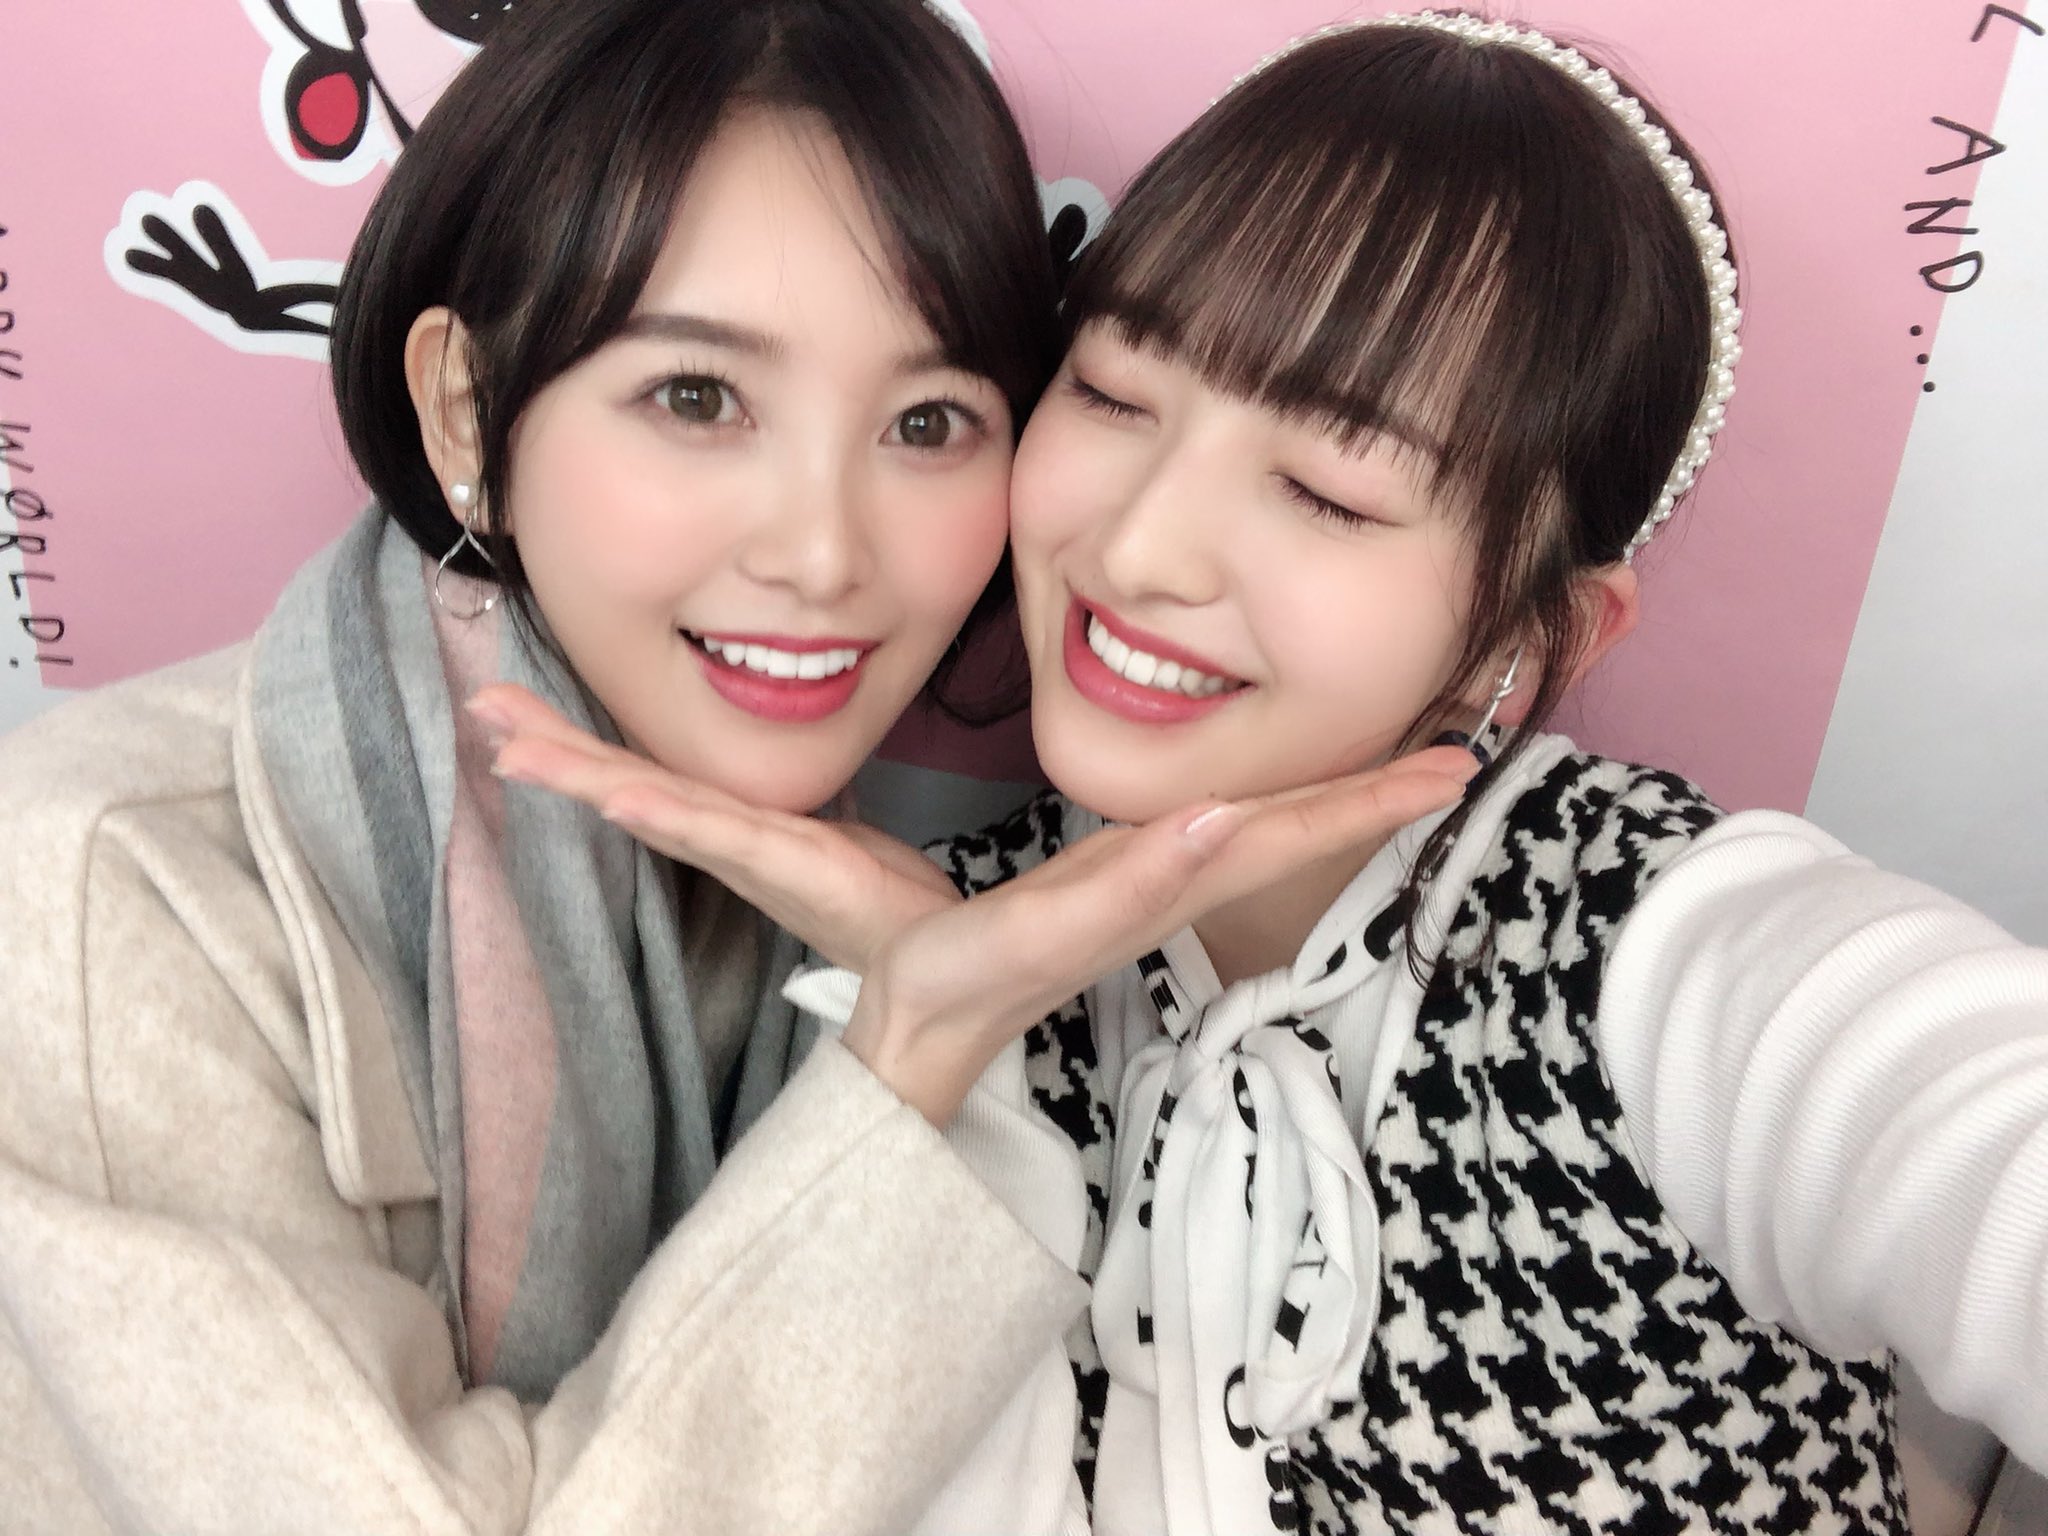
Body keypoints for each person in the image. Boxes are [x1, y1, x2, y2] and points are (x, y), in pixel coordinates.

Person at [491, 12, 2048, 1535]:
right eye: (1114, 394)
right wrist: (937, 1054)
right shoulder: (943, 940)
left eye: (1328, 488)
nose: (1139, 548)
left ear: (1535, 631)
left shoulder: (1655, 951)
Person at [0, 2, 1480, 1530]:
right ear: (466, 410)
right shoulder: (120, 887)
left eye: (928, 421)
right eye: (697, 399)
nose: (824, 554)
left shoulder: (886, 883)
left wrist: (933, 1010)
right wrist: (912, 1056)